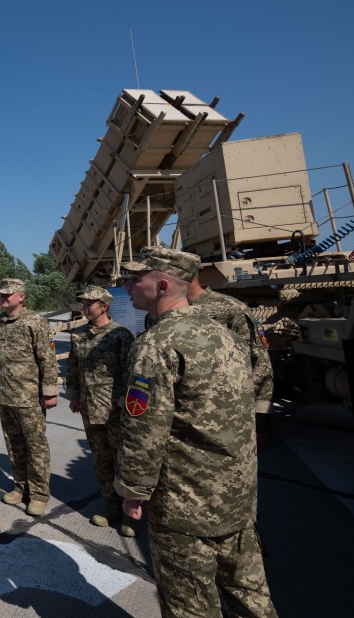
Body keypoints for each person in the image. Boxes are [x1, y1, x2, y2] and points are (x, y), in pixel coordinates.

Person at [115, 246, 277, 618]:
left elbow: (144, 431)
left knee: (190, 606)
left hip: (185, 506)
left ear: (162, 285)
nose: (127, 284)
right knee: (251, 597)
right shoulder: (224, 335)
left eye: (135, 277)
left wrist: (132, 493)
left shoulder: (156, 345)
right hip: (238, 496)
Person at [64, 284, 135, 534]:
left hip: (115, 410)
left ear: (104, 306)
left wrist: (123, 404)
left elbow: (131, 373)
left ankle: (130, 514)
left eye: (89, 304)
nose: (84, 307)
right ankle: (111, 505)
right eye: (83, 303)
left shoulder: (120, 335)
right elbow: (73, 368)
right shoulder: (80, 334)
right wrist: (73, 395)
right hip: (89, 408)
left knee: (122, 461)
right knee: (101, 460)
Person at [0, 278, 57, 517]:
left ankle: (39, 494)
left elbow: (47, 357)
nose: (3, 298)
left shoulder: (34, 321)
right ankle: (20, 486)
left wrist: (49, 391)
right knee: (14, 443)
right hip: (6, 395)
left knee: (36, 446)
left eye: (8, 294)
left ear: (21, 296)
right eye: (1, 294)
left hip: (29, 396)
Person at [187, 273, 274, 440]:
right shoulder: (161, 313)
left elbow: (259, 364)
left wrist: (260, 421)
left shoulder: (230, 309)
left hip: (228, 420)